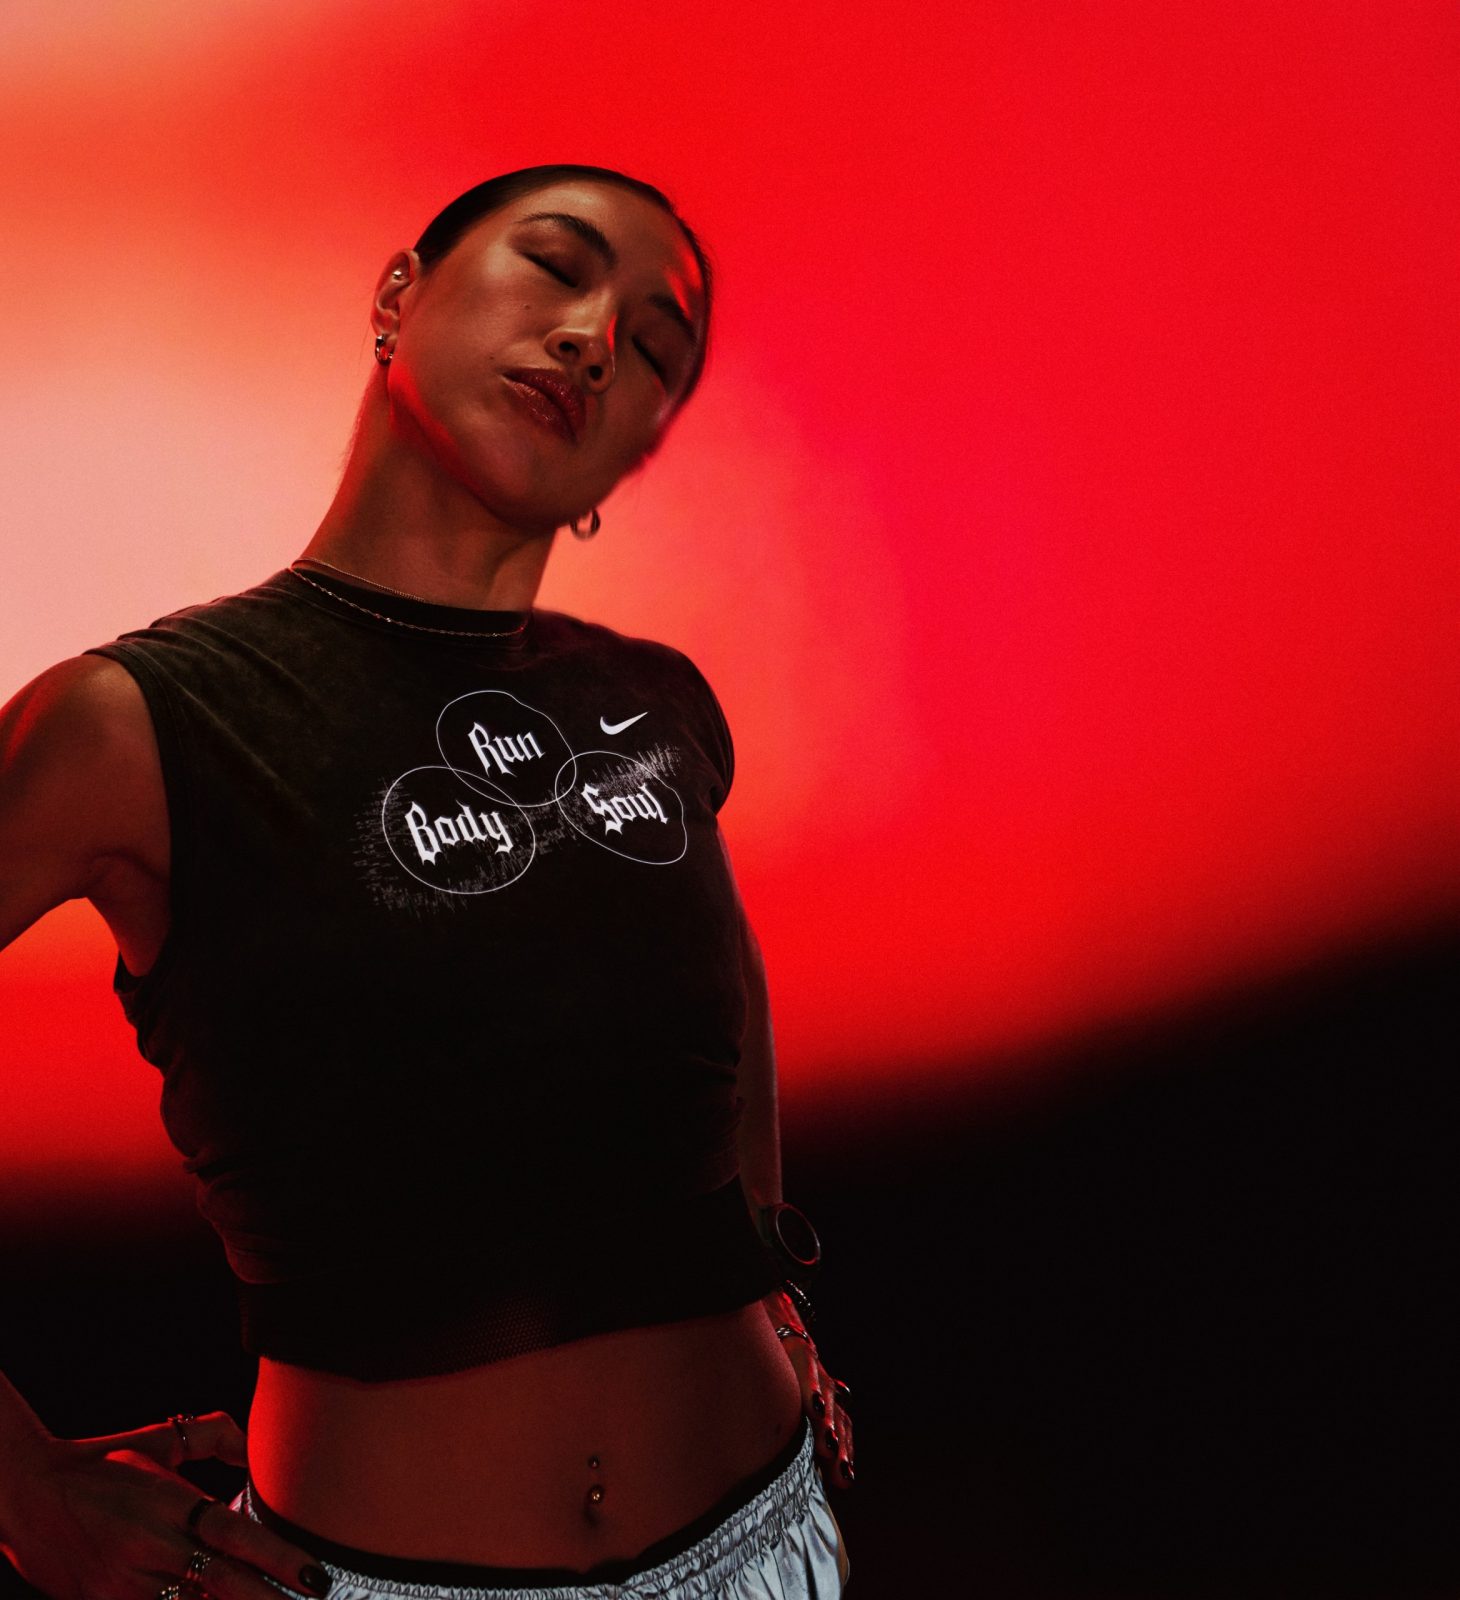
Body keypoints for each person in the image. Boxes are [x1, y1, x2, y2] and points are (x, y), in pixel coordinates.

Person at [0, 164, 852, 1600]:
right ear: (399, 294)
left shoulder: (655, 701)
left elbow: (722, 997)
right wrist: (22, 1490)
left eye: (655, 349)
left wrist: (766, 1271)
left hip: (764, 1543)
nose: (595, 340)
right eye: (557, 264)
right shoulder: (136, 722)